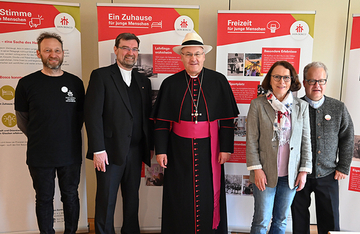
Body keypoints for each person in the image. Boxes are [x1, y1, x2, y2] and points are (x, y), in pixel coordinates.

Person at [150, 32, 239, 234]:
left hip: (210, 147)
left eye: (197, 54)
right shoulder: (170, 84)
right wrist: (161, 151)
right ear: (181, 56)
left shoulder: (218, 81)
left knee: (208, 192)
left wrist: (226, 148)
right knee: (179, 194)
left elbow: (226, 121)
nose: (193, 58)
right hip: (178, 149)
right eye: (188, 54)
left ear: (204, 55)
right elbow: (162, 122)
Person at [14, 32, 84, 234]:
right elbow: (22, 120)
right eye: (47, 50)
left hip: (70, 153)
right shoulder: (26, 84)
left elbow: (80, 117)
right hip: (40, 154)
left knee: (70, 196)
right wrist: (42, 135)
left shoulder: (76, 83)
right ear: (39, 53)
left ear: (62, 53)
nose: (53, 54)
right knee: (44, 198)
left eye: (57, 50)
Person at [84, 33, 153, 234]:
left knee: (132, 200)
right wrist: (98, 149)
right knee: (106, 199)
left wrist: (149, 148)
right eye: (125, 48)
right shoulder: (101, 76)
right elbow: (92, 114)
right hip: (109, 153)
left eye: (134, 49)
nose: (130, 53)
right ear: (116, 49)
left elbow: (145, 116)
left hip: (135, 151)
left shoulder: (143, 81)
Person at [246, 60, 312, 234]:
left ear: (292, 80)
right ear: (270, 79)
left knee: (281, 221)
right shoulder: (257, 105)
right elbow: (252, 140)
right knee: (261, 220)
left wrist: (304, 171)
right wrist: (257, 170)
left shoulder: (301, 107)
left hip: (290, 175)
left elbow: (306, 140)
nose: (281, 82)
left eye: (286, 77)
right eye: (277, 77)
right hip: (264, 173)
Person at [291, 61, 354, 234]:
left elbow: (347, 138)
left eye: (321, 81)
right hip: (298, 174)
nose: (317, 85)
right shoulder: (294, 107)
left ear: (326, 82)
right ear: (304, 82)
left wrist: (343, 166)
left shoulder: (338, 108)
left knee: (330, 220)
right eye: (312, 81)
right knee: (299, 218)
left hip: (328, 174)